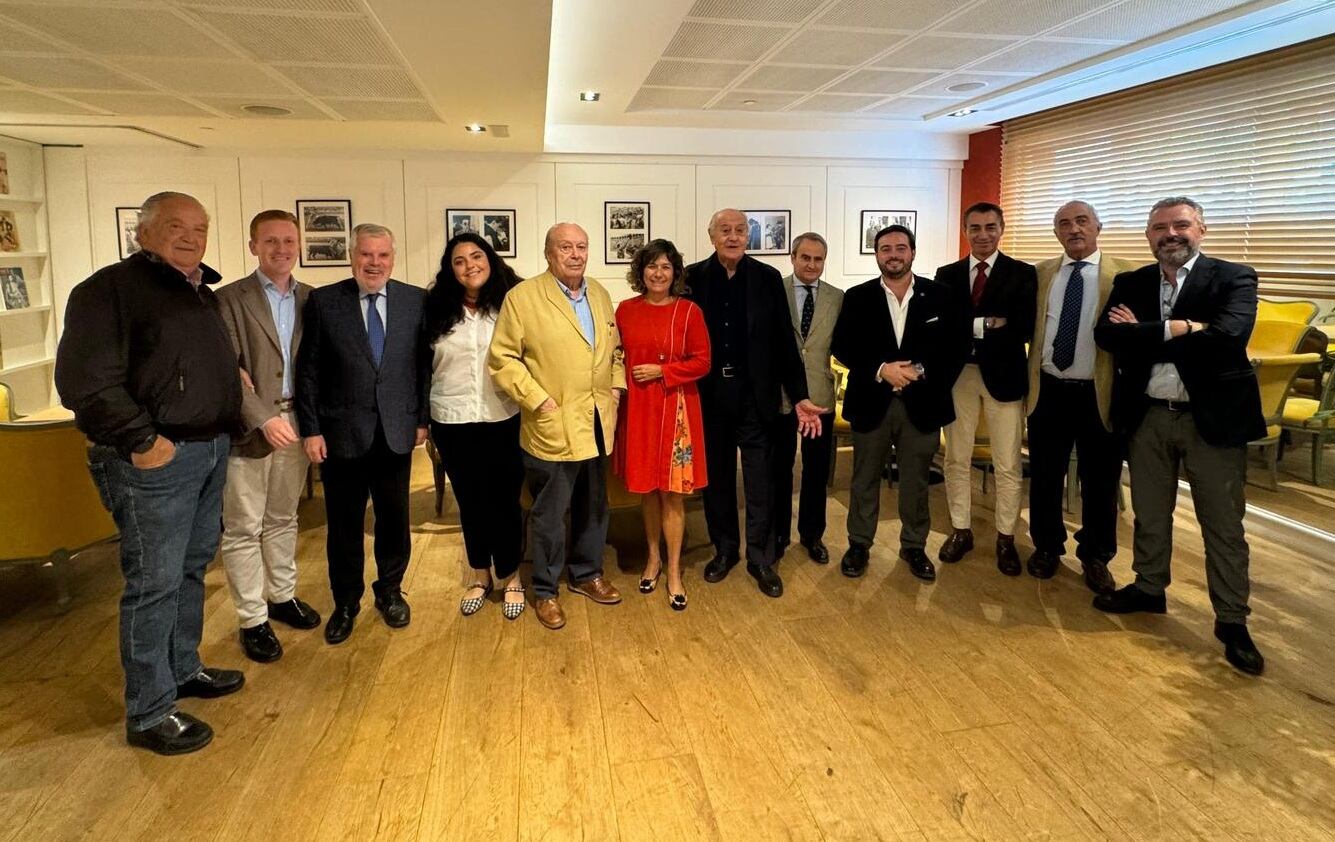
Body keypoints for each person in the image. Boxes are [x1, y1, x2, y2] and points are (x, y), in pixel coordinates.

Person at [55, 191, 243, 755]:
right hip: (155, 460)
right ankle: (149, 710)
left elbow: (178, 363)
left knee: (189, 570)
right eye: (175, 226)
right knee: (153, 584)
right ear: (143, 233)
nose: (190, 236)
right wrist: (142, 439)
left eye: (200, 228)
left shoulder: (196, 292)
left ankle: (183, 669)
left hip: (207, 452)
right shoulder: (106, 291)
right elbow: (85, 383)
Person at [1093, 197, 1267, 676]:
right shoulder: (1131, 282)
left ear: (1201, 229)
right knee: (1150, 512)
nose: (1170, 234)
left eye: (1181, 225)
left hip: (1210, 420)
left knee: (1223, 526)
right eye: (1160, 227)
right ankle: (1149, 587)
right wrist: (1183, 327)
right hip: (1147, 415)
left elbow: (1228, 337)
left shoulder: (1233, 278)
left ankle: (1232, 620)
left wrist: (1148, 332)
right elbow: (1107, 337)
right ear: (1148, 236)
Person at [295, 223, 430, 645]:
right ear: (352, 256)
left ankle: (390, 591)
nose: (375, 263)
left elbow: (422, 368)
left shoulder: (414, 301)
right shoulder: (324, 302)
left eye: (383, 255)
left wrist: (421, 419)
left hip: (395, 432)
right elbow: (309, 371)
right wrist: (311, 429)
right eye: (366, 255)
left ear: (393, 257)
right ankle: (346, 601)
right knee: (344, 525)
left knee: (394, 520)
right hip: (341, 435)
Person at [489, 222, 626, 630]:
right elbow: (503, 359)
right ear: (549, 253)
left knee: (594, 506)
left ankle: (587, 574)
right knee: (549, 514)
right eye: (566, 247)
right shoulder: (523, 298)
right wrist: (538, 399)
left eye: (581, 246)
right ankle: (545, 590)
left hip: (598, 421)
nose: (575, 254)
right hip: (553, 423)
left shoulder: (599, 294)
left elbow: (615, 349)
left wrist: (616, 388)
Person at [684, 208, 826, 598]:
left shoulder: (766, 279)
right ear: (711, 236)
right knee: (717, 483)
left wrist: (800, 396)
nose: (733, 236)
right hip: (710, 398)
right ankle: (725, 551)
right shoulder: (692, 279)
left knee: (761, 482)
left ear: (749, 236)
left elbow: (784, 342)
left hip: (755, 399)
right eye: (725, 230)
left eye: (740, 230)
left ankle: (761, 558)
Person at [832, 225, 968, 581]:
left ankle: (913, 546)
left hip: (922, 404)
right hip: (871, 402)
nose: (893, 254)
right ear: (876, 254)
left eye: (900, 247)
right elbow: (843, 345)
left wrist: (917, 370)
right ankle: (859, 544)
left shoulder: (942, 295)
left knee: (916, 481)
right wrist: (881, 369)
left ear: (912, 252)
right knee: (863, 478)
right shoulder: (857, 296)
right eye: (885, 248)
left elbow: (956, 347)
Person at [216, 210, 321, 663]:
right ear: (253, 245)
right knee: (243, 526)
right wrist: (261, 417)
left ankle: (282, 596)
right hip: (250, 429)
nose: (281, 249)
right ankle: (252, 618)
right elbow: (226, 372)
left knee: (283, 518)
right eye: (271, 241)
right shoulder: (228, 300)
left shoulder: (312, 299)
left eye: (289, 241)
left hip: (297, 422)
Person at [1024, 201, 1140, 594]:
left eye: (1081, 221)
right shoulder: (1040, 274)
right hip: (1049, 389)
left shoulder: (1127, 274)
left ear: (1097, 227)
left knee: (1101, 480)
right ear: (1056, 232)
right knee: (1044, 475)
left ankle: (1096, 555)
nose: (1073, 229)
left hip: (1098, 392)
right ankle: (1046, 547)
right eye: (1063, 223)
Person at [424, 232, 526, 620]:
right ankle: (480, 574)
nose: (470, 265)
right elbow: (421, 367)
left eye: (476, 256)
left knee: (505, 500)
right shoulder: (434, 309)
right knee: (470, 501)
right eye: (459, 261)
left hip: (504, 416)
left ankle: (511, 576)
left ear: (490, 259)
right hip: (452, 419)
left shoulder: (512, 304)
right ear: (450, 270)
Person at [934, 202, 1037, 574]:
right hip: (958, 375)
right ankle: (960, 529)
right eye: (975, 227)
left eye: (990, 227)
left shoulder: (1023, 274)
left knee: (1007, 463)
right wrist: (988, 324)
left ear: (1001, 228)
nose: (982, 234)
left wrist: (973, 324)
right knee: (956, 457)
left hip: (1004, 379)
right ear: (965, 230)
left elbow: (1024, 326)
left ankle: (1006, 538)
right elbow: (944, 326)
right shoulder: (946, 274)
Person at [614, 239, 711, 611]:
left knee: (672, 493)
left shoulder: (689, 312)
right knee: (648, 490)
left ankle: (673, 570)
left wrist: (663, 370)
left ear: (676, 273)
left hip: (677, 409)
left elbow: (702, 362)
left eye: (666, 267)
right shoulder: (625, 311)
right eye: (652, 266)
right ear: (641, 272)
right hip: (638, 410)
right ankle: (652, 558)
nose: (658, 273)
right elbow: (613, 356)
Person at [772, 232, 842, 564]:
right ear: (793, 257)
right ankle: (779, 534)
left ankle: (812, 535)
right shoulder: (774, 290)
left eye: (818, 259)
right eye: (805, 257)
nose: (812, 264)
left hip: (820, 395)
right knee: (779, 468)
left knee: (816, 471)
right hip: (782, 397)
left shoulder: (837, 297)